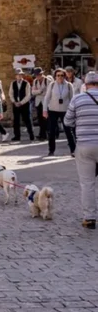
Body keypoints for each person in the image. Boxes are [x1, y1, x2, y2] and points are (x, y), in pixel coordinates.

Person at [63, 71, 98, 229]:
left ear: (85, 84)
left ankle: (89, 218)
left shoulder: (78, 99)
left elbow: (67, 121)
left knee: (87, 183)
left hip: (85, 145)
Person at [43, 67, 75, 157]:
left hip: (65, 111)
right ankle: (51, 150)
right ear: (55, 76)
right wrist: (44, 110)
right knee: (52, 131)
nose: (60, 77)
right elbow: (46, 98)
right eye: (58, 75)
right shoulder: (52, 85)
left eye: (62, 75)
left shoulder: (69, 85)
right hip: (53, 110)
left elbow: (72, 99)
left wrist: (73, 111)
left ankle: (73, 150)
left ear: (65, 76)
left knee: (68, 130)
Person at [8, 69, 34, 142]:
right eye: (18, 74)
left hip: (24, 104)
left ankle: (31, 135)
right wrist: (14, 102)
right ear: (16, 76)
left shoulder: (26, 83)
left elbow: (28, 95)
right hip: (16, 104)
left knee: (27, 120)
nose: (19, 76)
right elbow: (11, 93)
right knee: (16, 121)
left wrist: (21, 102)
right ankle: (17, 136)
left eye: (20, 74)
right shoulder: (13, 83)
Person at [31, 67, 50, 139]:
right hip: (38, 102)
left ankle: (48, 134)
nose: (37, 76)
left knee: (46, 119)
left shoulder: (47, 80)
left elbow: (48, 92)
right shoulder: (35, 81)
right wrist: (40, 91)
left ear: (42, 74)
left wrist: (38, 91)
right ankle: (42, 134)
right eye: (36, 75)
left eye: (39, 75)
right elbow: (33, 92)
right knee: (40, 119)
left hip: (46, 102)